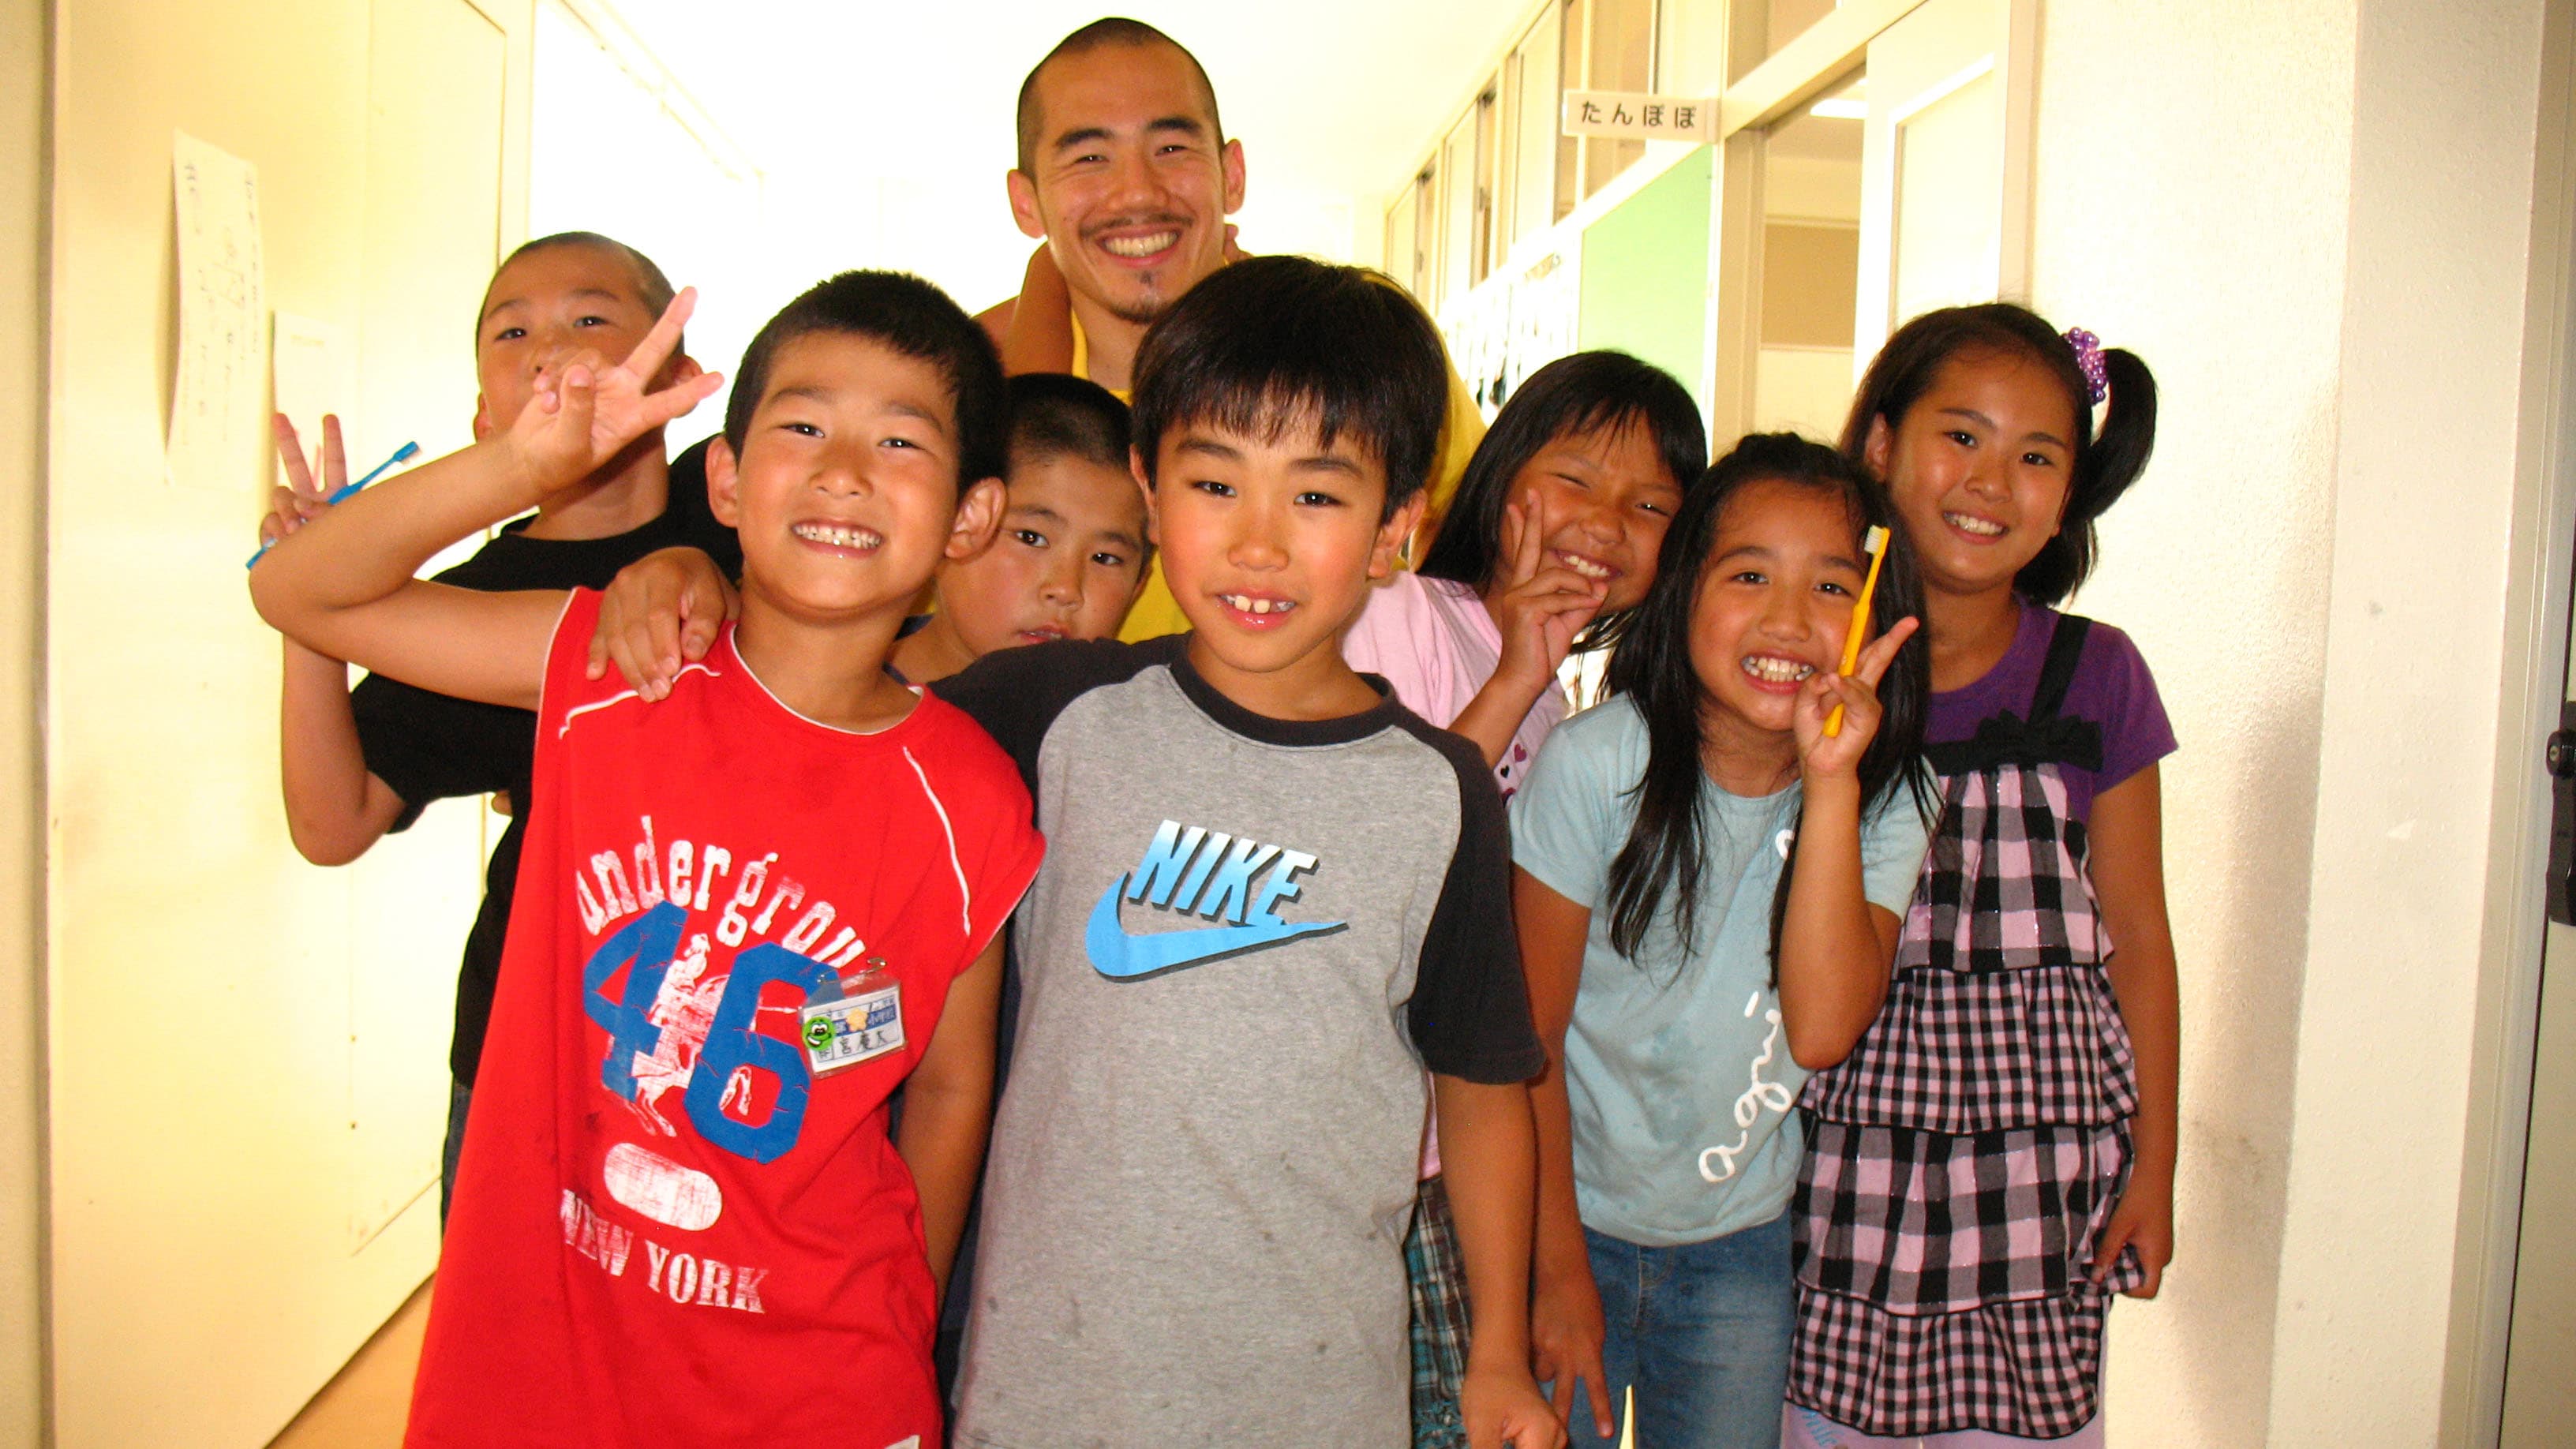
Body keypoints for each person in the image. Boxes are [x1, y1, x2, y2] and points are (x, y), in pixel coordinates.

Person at [586, 256, 1563, 1449]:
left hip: (1311, 1393)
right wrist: (692, 571)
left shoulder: (1438, 793)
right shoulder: (1049, 709)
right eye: (1215, 482)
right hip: (1043, 1382)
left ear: (1396, 526)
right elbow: (825, 695)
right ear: (1152, 491)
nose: (1257, 543)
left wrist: (1501, 1355)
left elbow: (1478, 1089)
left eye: (1316, 498)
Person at [250, 272, 1043, 1447]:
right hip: (545, 1344)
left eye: (901, 441)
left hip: (819, 1374)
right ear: (723, 479)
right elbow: (295, 589)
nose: (844, 471)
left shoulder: (968, 794)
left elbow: (942, 1077)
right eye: (802, 426)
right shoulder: (610, 673)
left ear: (969, 517)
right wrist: (521, 472)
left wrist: (901, 1306)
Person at [254, 231, 740, 1222]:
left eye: (590, 319)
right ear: (486, 415)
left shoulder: (731, 507)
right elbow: (332, 821)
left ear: (677, 373)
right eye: (511, 333)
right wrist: (316, 618)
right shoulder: (472, 603)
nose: (551, 351)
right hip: (529, 1043)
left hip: (734, 1037)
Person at [1779, 307, 2174, 1449]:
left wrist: (2157, 1164)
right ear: (1881, 446)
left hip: (2043, 1184)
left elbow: (2140, 937)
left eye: (2036, 456)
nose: (1991, 481)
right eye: (1962, 436)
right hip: (1838, 1165)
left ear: (2067, 495)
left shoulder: (2097, 674)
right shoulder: (1808, 668)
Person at [1512, 434, 1936, 1449]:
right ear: (1684, 591)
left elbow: (1827, 1027)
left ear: (1879, 610)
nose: (1788, 620)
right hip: (1564, 1222)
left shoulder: (1886, 798)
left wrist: (1830, 780)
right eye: (1749, 574)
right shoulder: (1597, 762)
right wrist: (1558, 1267)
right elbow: (1526, 1035)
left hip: (1738, 1248)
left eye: (1833, 586)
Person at [1338, 350, 1704, 1449]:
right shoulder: (1399, 613)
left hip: (1451, 1160)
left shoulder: (1567, 709)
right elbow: (1369, 849)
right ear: (1501, 477)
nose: (1608, 521)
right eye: (1579, 478)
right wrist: (1510, 678)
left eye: (1651, 505)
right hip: (1354, 1149)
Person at [983, 17, 1489, 639]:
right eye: (1089, 158)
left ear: (1234, 174)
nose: (1138, 193)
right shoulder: (976, 385)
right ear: (1026, 203)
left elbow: (1475, 515)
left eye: (1172, 148)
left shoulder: (1355, 344)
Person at [889, 371, 1148, 684]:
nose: (1065, 590)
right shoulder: (835, 697)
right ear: (947, 526)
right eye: (1032, 538)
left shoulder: (1111, 725)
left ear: (1137, 588)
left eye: (1105, 558)